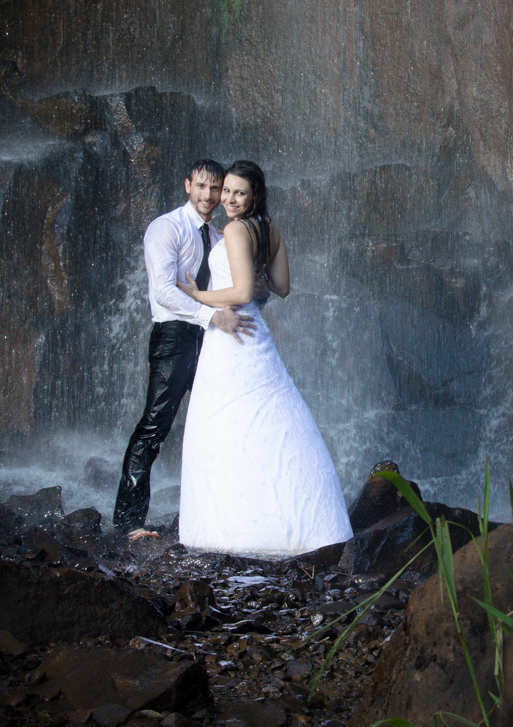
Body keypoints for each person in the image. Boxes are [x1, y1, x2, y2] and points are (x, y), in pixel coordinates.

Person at [176, 160, 353, 555]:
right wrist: (258, 282)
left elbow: (240, 293)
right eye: (226, 191)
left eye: (239, 193)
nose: (229, 199)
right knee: (267, 416)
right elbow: (281, 287)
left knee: (226, 423)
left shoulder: (236, 229)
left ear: (255, 194)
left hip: (231, 333)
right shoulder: (269, 228)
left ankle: (234, 528)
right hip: (253, 330)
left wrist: (197, 295)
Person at [113, 160, 258, 540]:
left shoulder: (218, 235)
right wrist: (212, 316)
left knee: (219, 421)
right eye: (202, 186)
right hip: (175, 337)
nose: (209, 195)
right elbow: (162, 291)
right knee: (154, 426)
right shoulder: (166, 228)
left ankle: (221, 516)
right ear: (187, 185)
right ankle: (129, 523)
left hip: (210, 338)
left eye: (216, 188)